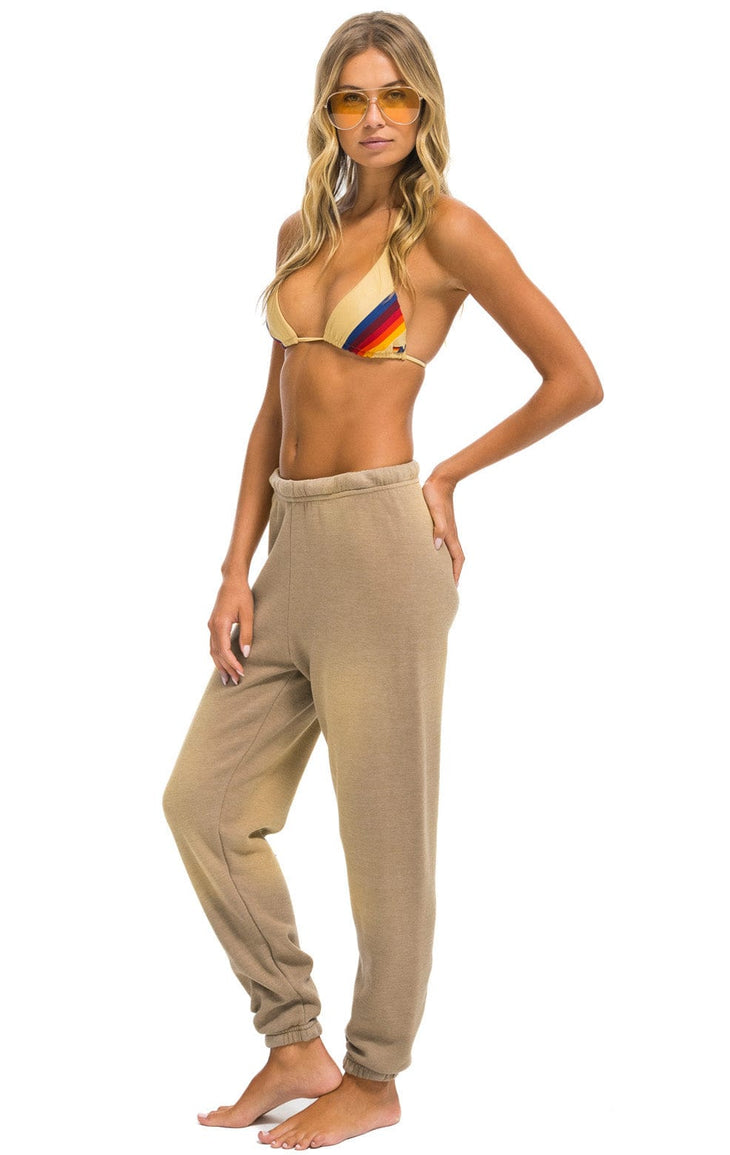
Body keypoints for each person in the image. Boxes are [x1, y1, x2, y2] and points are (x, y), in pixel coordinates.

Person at [162, 9, 603, 1150]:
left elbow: (573, 377)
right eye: (351, 98)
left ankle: (374, 1075)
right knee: (203, 804)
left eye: (393, 97)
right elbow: (270, 415)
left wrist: (447, 474)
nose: (372, 118)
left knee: (383, 838)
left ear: (423, 107)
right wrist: (234, 567)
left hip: (380, 552)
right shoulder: (300, 233)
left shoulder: (447, 232)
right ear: (327, 111)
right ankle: (293, 1039)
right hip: (290, 555)